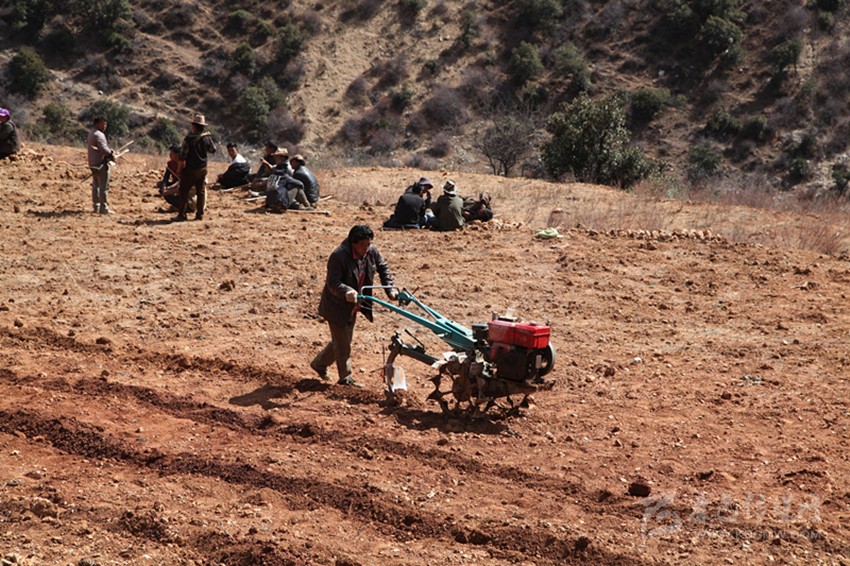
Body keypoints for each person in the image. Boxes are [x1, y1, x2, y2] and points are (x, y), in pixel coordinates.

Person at [311, 225, 397, 387]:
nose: (367, 248)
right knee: (343, 344)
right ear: (353, 243)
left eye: (369, 244)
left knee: (342, 340)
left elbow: (383, 267)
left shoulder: (371, 251)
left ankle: (319, 364)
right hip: (337, 306)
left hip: (356, 303)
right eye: (363, 245)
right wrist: (347, 291)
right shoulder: (338, 256)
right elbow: (333, 282)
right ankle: (346, 378)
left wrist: (390, 289)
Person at [175, 113, 216, 222]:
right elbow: (213, 150)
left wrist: (179, 168)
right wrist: (209, 139)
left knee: (183, 190)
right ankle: (199, 215)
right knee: (200, 191)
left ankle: (182, 215)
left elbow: (182, 156)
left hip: (190, 169)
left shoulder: (188, 139)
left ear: (194, 126)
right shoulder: (206, 138)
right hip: (202, 169)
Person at [87, 117, 115, 214]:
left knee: (96, 185)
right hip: (100, 164)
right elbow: (103, 149)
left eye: (106, 124)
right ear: (96, 123)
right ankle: (104, 207)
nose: (105, 126)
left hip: (92, 163)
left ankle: (96, 206)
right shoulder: (99, 134)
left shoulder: (92, 133)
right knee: (103, 186)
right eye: (103, 124)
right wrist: (111, 154)